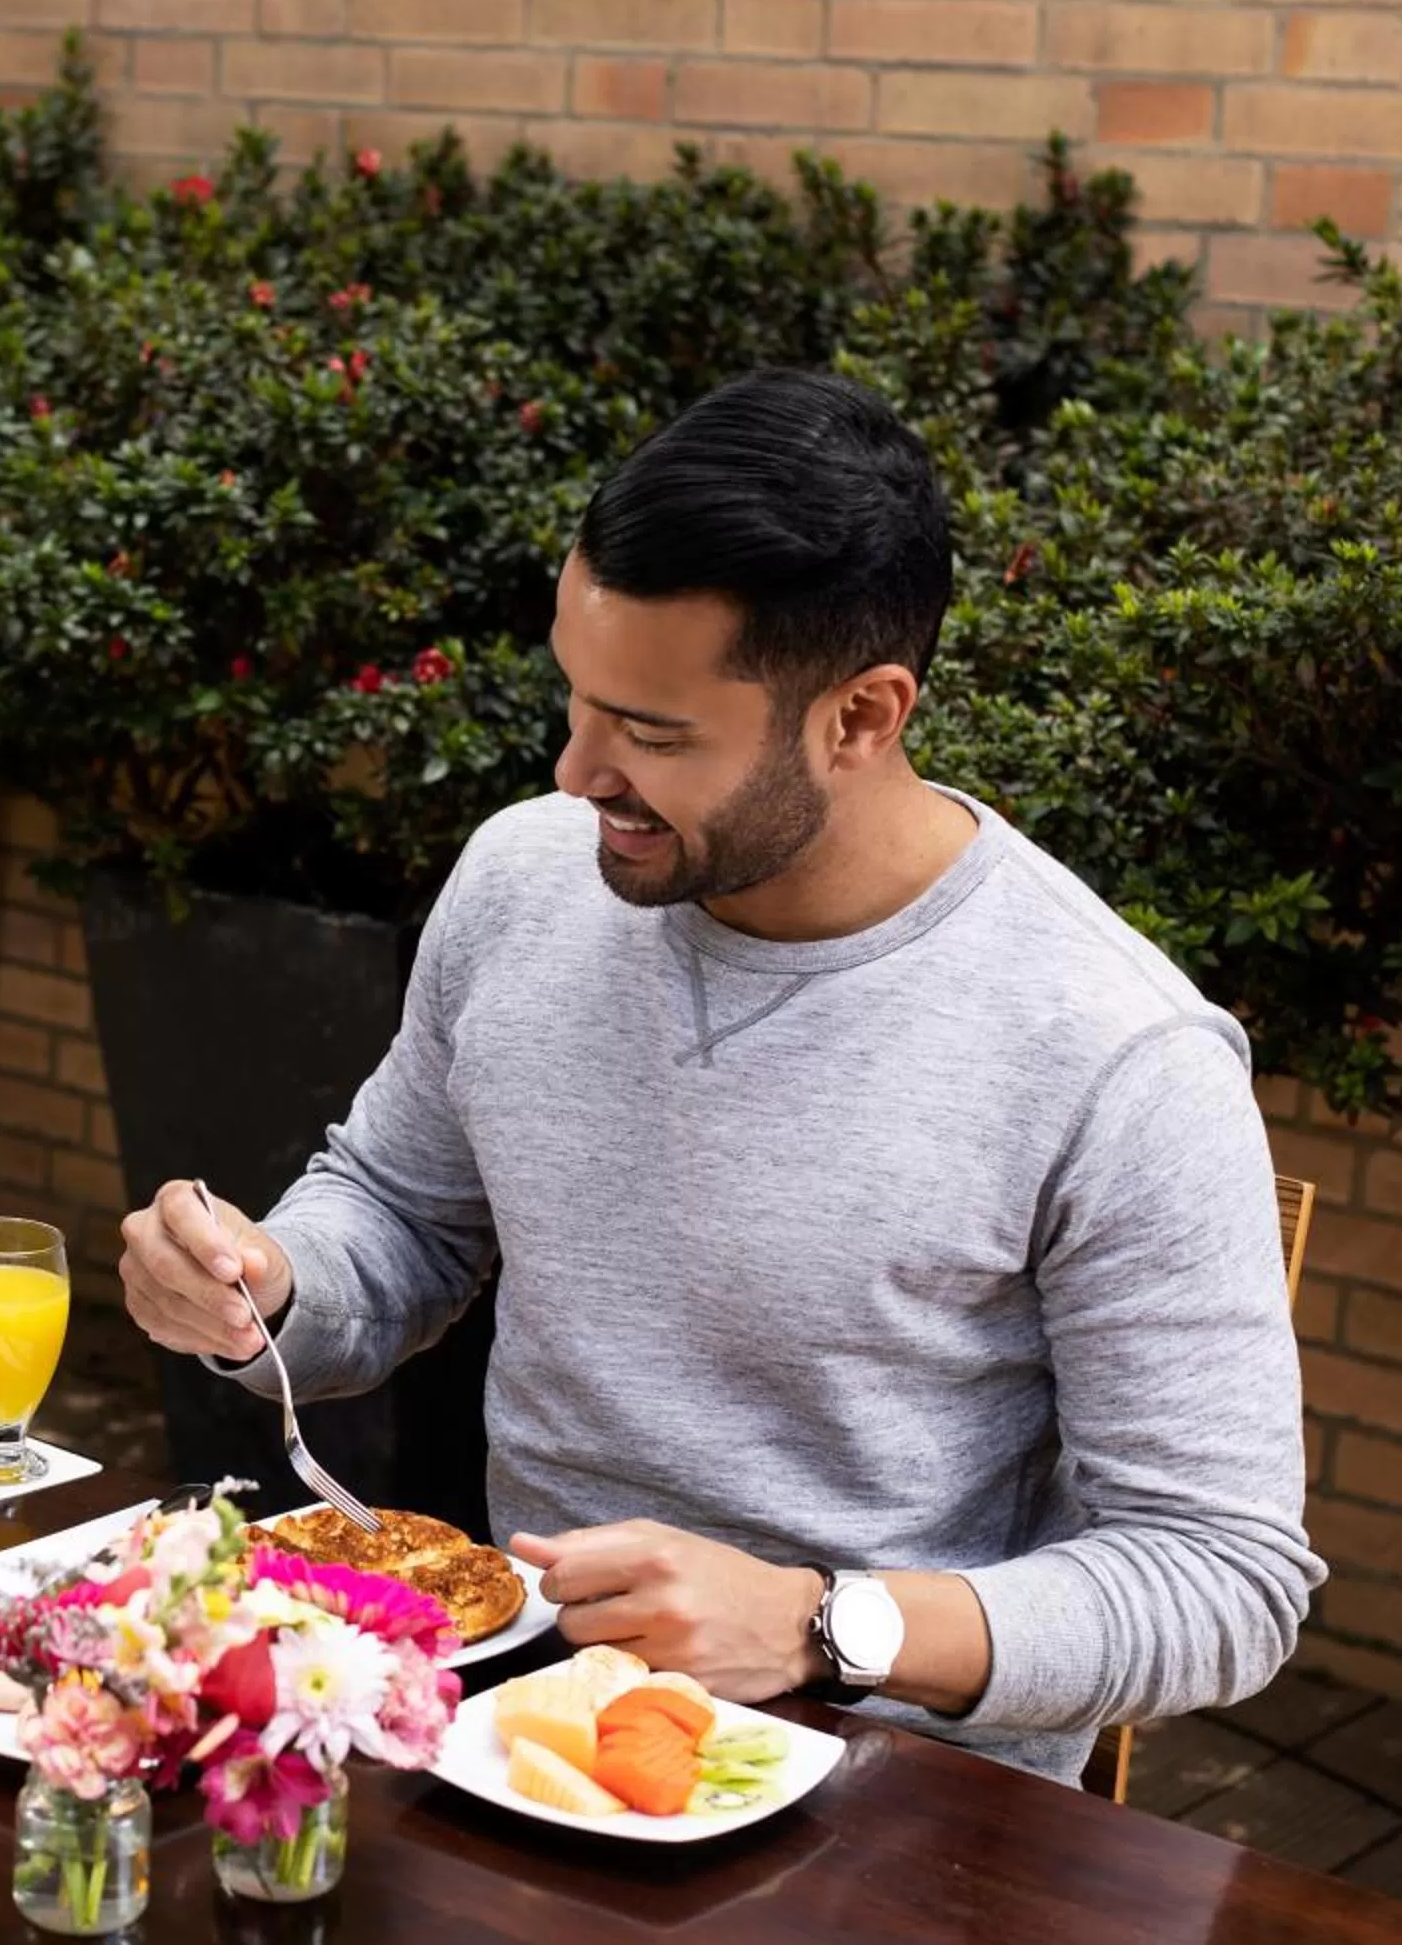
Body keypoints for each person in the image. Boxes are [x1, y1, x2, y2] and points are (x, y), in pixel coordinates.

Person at [118, 368, 1323, 1785]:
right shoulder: (524, 883)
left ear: (862, 717)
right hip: (519, 1727)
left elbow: (1224, 1579)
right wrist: (268, 1290)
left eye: (655, 736)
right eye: (578, 703)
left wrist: (825, 1626)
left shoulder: (1113, 1054)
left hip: (899, 1808)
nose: (577, 774)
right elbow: (402, 1211)